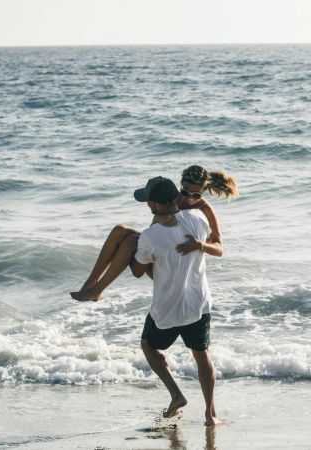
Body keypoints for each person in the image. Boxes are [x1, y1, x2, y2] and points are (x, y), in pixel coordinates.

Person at [128, 176, 222, 427]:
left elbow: (138, 271)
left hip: (167, 309)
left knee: (148, 345)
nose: (148, 205)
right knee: (202, 356)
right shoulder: (199, 221)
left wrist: (131, 247)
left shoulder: (150, 235)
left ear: (156, 206)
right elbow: (215, 242)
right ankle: (210, 415)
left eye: (149, 202)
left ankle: (176, 395)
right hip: (197, 305)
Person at [70, 165, 237, 301]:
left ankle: (98, 289)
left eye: (195, 195)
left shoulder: (206, 210)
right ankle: (92, 283)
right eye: (185, 192)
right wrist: (159, 218)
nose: (188, 198)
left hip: (175, 269)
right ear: (181, 186)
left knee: (129, 241)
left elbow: (219, 249)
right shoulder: (175, 198)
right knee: (119, 230)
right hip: (160, 253)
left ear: (204, 190)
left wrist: (200, 245)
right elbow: (154, 230)